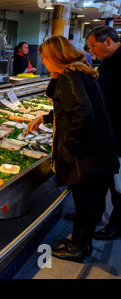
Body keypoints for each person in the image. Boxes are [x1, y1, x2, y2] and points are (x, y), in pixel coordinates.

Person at [26, 35, 119, 262]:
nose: (43, 63)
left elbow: (82, 113)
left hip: (87, 156)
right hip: (96, 153)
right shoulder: (78, 72)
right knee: (87, 202)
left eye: (44, 58)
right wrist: (47, 117)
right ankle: (79, 241)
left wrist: (68, 145)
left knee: (85, 202)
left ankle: (78, 247)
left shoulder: (69, 77)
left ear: (52, 57)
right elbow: (74, 109)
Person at [86, 25, 121, 240]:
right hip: (107, 134)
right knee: (100, 180)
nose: (91, 51)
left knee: (117, 186)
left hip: (118, 135)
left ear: (107, 41)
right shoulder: (108, 61)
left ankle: (116, 226)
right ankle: (91, 216)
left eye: (93, 46)